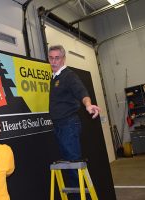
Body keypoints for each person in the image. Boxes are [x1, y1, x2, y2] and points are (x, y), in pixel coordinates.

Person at [48, 45, 100, 188]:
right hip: (60, 126)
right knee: (69, 166)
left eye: (57, 58)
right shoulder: (55, 78)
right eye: (51, 58)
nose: (53, 61)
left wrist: (88, 105)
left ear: (63, 59)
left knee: (74, 166)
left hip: (68, 125)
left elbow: (81, 92)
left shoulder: (69, 76)